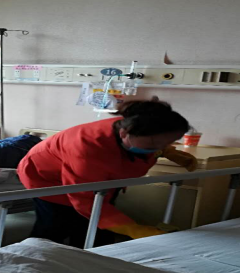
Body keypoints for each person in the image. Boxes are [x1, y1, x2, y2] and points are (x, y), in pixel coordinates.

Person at [18, 98, 197, 248]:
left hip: (97, 180)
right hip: (48, 179)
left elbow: (152, 143)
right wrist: (132, 229)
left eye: (167, 142)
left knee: (97, 231)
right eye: (154, 145)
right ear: (124, 133)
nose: (159, 147)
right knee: (56, 227)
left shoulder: (136, 125)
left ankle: (91, 260)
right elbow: (85, 199)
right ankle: (34, 261)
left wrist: (167, 151)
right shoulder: (88, 149)